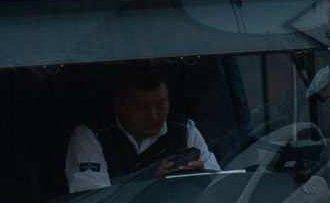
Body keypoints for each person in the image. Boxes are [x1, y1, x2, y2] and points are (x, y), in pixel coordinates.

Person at [65, 67, 220, 192]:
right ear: (118, 106)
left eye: (160, 105)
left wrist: (199, 176)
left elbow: (217, 183)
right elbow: (90, 201)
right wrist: (147, 182)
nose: (153, 116)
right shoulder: (91, 136)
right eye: (141, 108)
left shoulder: (184, 130)